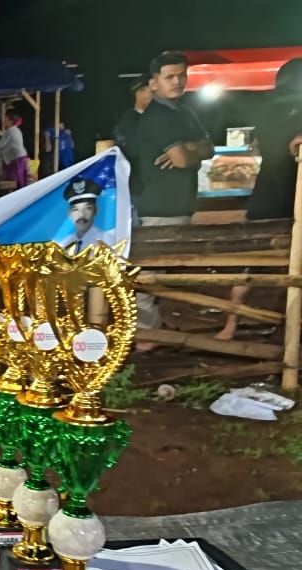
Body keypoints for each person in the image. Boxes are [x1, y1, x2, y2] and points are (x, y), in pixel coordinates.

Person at [130, 51, 214, 348]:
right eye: (169, 77)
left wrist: (190, 148)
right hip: (160, 206)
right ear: (153, 83)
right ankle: (144, 337)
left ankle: (151, 331)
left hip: (179, 204)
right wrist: (191, 151)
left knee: (160, 272)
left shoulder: (184, 112)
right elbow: (180, 159)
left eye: (181, 75)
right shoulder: (157, 117)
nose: (177, 81)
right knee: (150, 273)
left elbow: (209, 148)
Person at [224, 59, 302, 340]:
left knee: (249, 262)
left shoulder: (266, 108)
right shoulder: (297, 108)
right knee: (294, 263)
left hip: (265, 196)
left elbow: (260, 145)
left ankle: (230, 325)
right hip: (292, 198)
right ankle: (288, 324)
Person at [114, 78, 154, 221]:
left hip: (141, 189)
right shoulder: (131, 119)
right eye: (152, 91)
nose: (156, 96)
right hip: (137, 189)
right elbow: (135, 150)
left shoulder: (132, 119)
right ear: (139, 92)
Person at [57, 177, 116, 253]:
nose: (81, 214)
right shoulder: (64, 243)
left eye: (87, 208)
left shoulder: (108, 242)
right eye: (75, 209)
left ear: (95, 210)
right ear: (69, 213)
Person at [0, 109, 31, 188]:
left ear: (10, 121)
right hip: (21, 157)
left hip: (17, 159)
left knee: (16, 182)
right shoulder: (16, 130)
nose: (3, 120)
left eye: (5, 118)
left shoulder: (10, 131)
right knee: (21, 182)